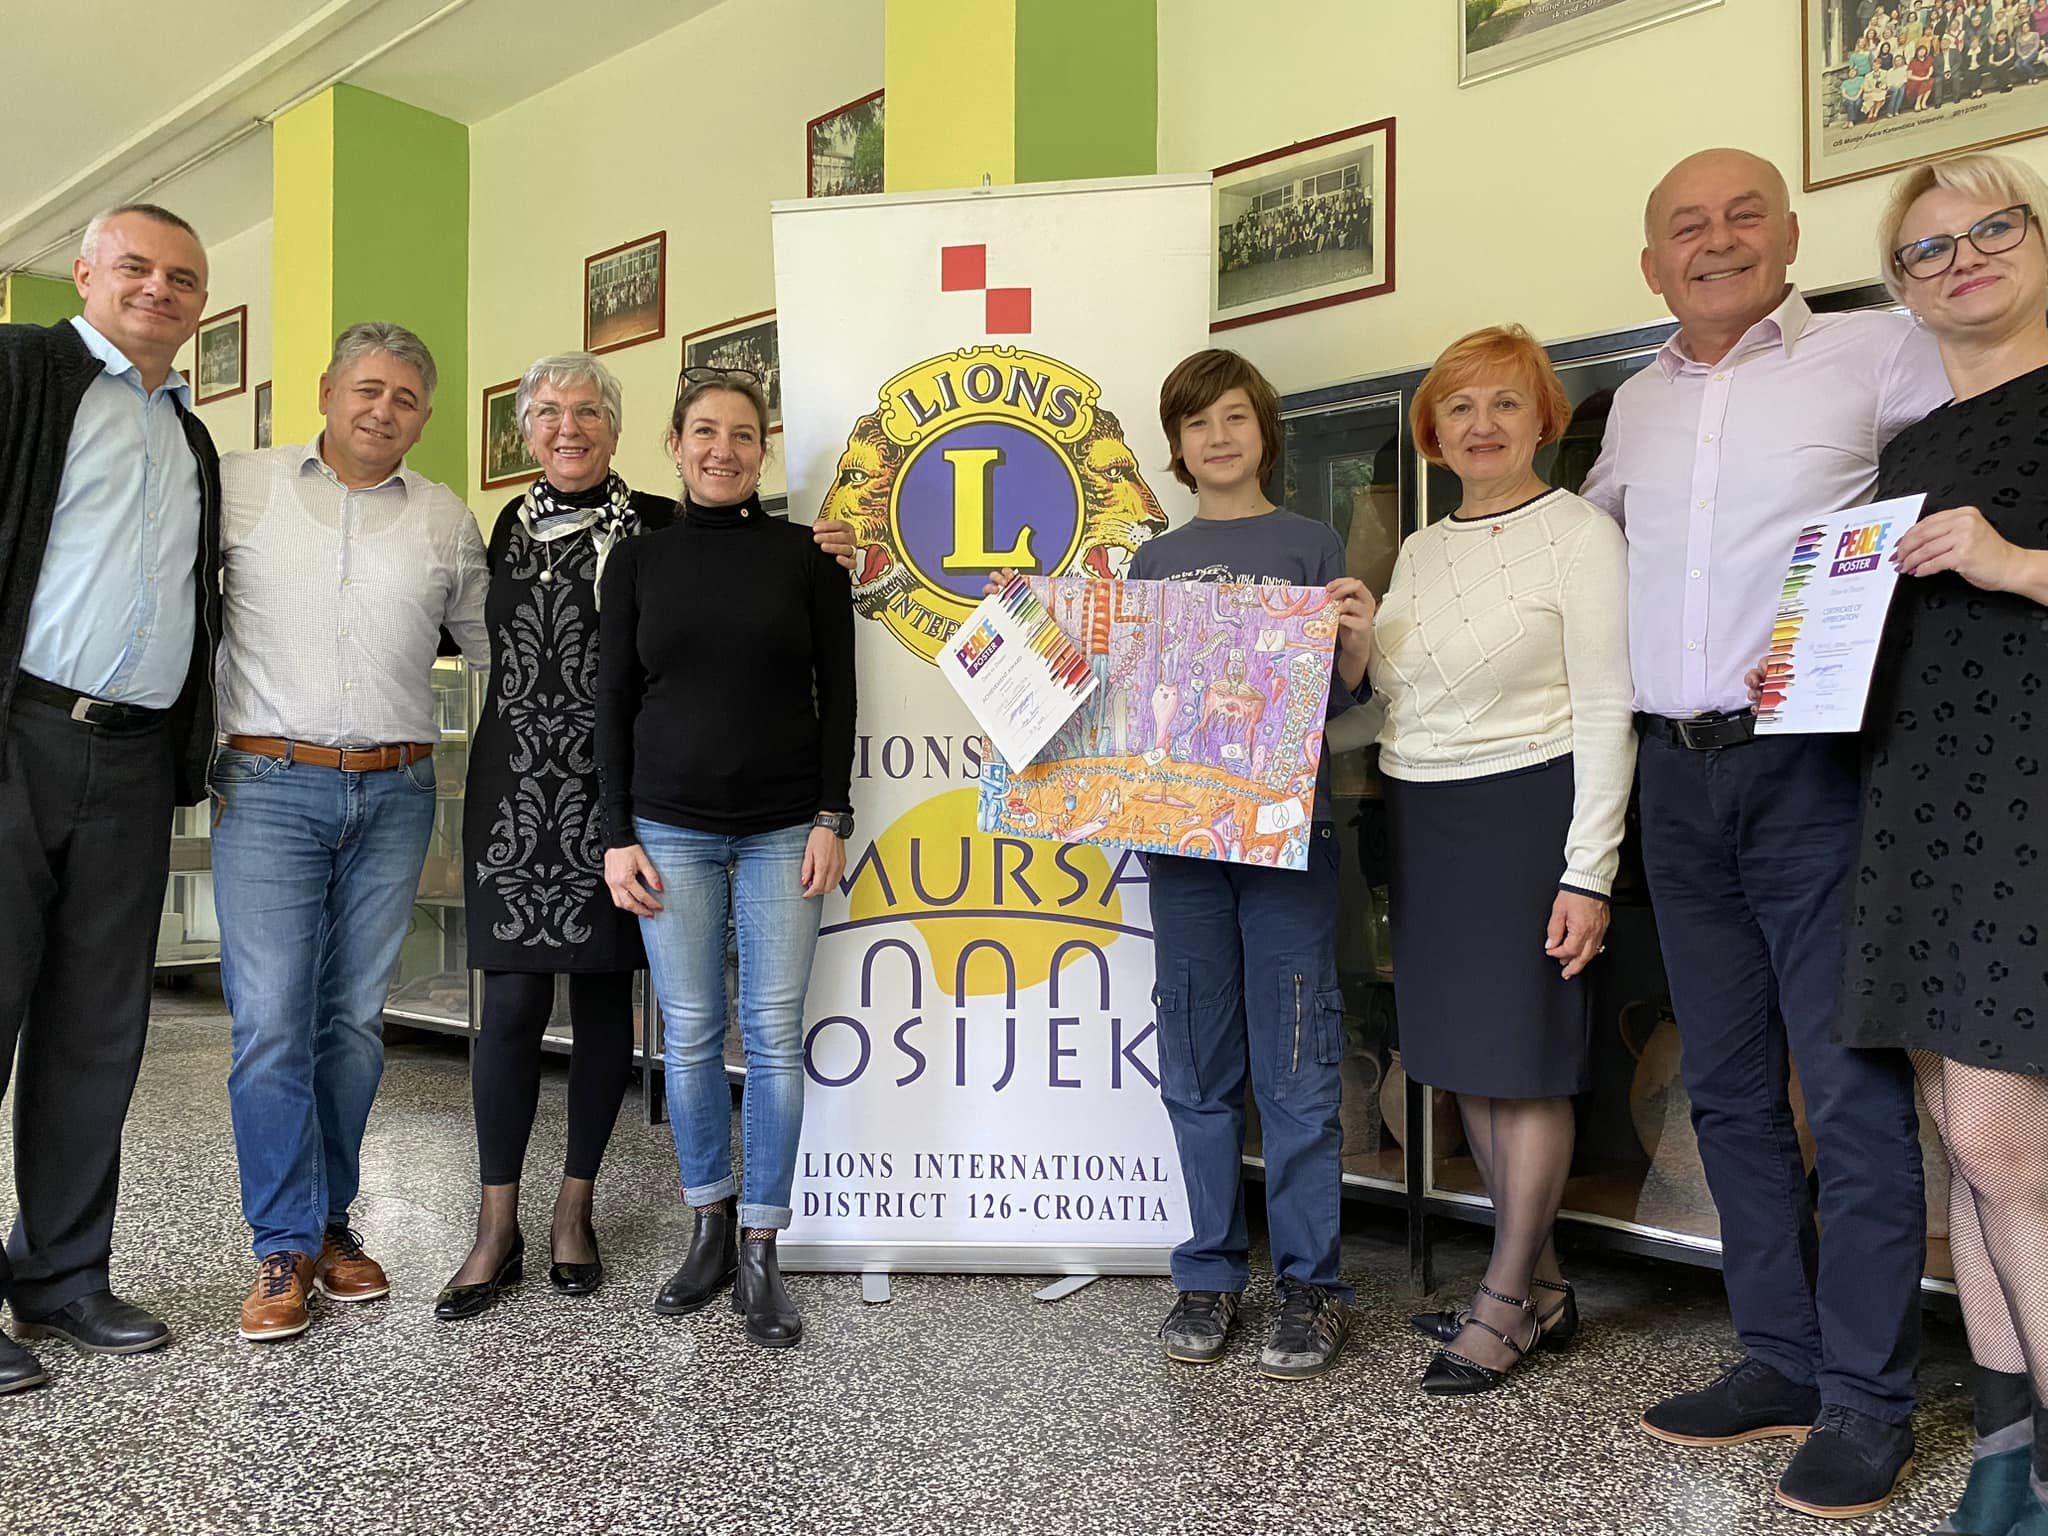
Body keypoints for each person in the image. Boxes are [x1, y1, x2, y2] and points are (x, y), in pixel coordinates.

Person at [1579, 148, 1951, 1520]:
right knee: (1727, 1089)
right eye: (1686, 225)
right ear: (1651, 263)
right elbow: (1578, 561)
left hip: (1812, 766)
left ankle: (1865, 1400)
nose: (1716, 239)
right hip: (1674, 777)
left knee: (1846, 1091)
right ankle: (1778, 1360)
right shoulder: (1633, 405)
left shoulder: (1881, 353)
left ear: (1790, 236)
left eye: (1743, 215)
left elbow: (1986, 451)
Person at [1068, 349, 1374, 1381]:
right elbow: (1125, 710)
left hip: (1286, 841)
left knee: (1296, 1064)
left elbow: (1330, 705)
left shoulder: (1309, 543)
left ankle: (1310, 1287)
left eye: (1234, 417)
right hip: (1183, 849)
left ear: (1264, 432)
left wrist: (1355, 650)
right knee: (1197, 1067)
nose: (1217, 437)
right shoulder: (1152, 564)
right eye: (1196, 422)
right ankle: (1207, 1273)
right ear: (1177, 445)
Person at [1372, 326, 1634, 1396]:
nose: (1481, 425)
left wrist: (1588, 872)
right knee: (1470, 1060)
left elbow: (1607, 707)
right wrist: (1351, 637)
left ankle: (1504, 1301)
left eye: (1505, 404)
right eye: (1460, 406)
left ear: (1543, 422)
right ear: (1432, 431)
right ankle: (1546, 1284)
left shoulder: (1580, 535)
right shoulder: (1419, 549)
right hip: (1422, 813)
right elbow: (1399, 692)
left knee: (1523, 1065)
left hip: (1529, 813)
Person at [214, 323, 488, 1343]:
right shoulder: (241, 487)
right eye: (367, 389)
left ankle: (330, 1223)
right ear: (327, 390)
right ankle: (282, 1246)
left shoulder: (444, 519)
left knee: (352, 1023)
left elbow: (502, 648)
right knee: (271, 1021)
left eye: (406, 398)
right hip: (268, 786)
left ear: (426, 416)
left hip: (396, 791)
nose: (383, 410)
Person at [1846, 154, 2048, 1536]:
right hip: (1920, 795)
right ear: (1903, 288)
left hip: (2029, 797)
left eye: (1992, 228)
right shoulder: (1906, 455)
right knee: (1957, 1134)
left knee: (1998, 1137)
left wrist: (2014, 562)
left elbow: (1995, 585)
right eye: (1929, 248)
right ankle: (2002, 1438)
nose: (1963, 257)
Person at [0, 205, 219, 1393]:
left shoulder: (191, 437)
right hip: (18, 735)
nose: (157, 289)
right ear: (85, 271)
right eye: (135, 266)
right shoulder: (21, 371)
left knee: (97, 1031)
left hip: (132, 761)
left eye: (182, 277)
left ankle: (64, 1275)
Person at [597, 369, 855, 1349]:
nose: (723, 449)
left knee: (775, 1034)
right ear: (674, 444)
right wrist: (615, 834)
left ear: (762, 450)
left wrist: (832, 814)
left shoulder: (807, 557)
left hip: (787, 826)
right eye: (704, 431)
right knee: (694, 1031)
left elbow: (841, 692)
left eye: (743, 434)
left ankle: (760, 1246)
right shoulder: (637, 561)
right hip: (667, 828)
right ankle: (707, 1224)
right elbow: (610, 704)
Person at [431, 353, 673, 1320]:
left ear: (615, 427)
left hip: (613, 795)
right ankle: (496, 1225)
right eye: (547, 412)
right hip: (513, 790)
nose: (567, 427)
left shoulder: (657, 522)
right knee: (511, 1006)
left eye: (586, 411)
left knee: (605, 998)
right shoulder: (508, 524)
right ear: (526, 430)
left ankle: (575, 1210)